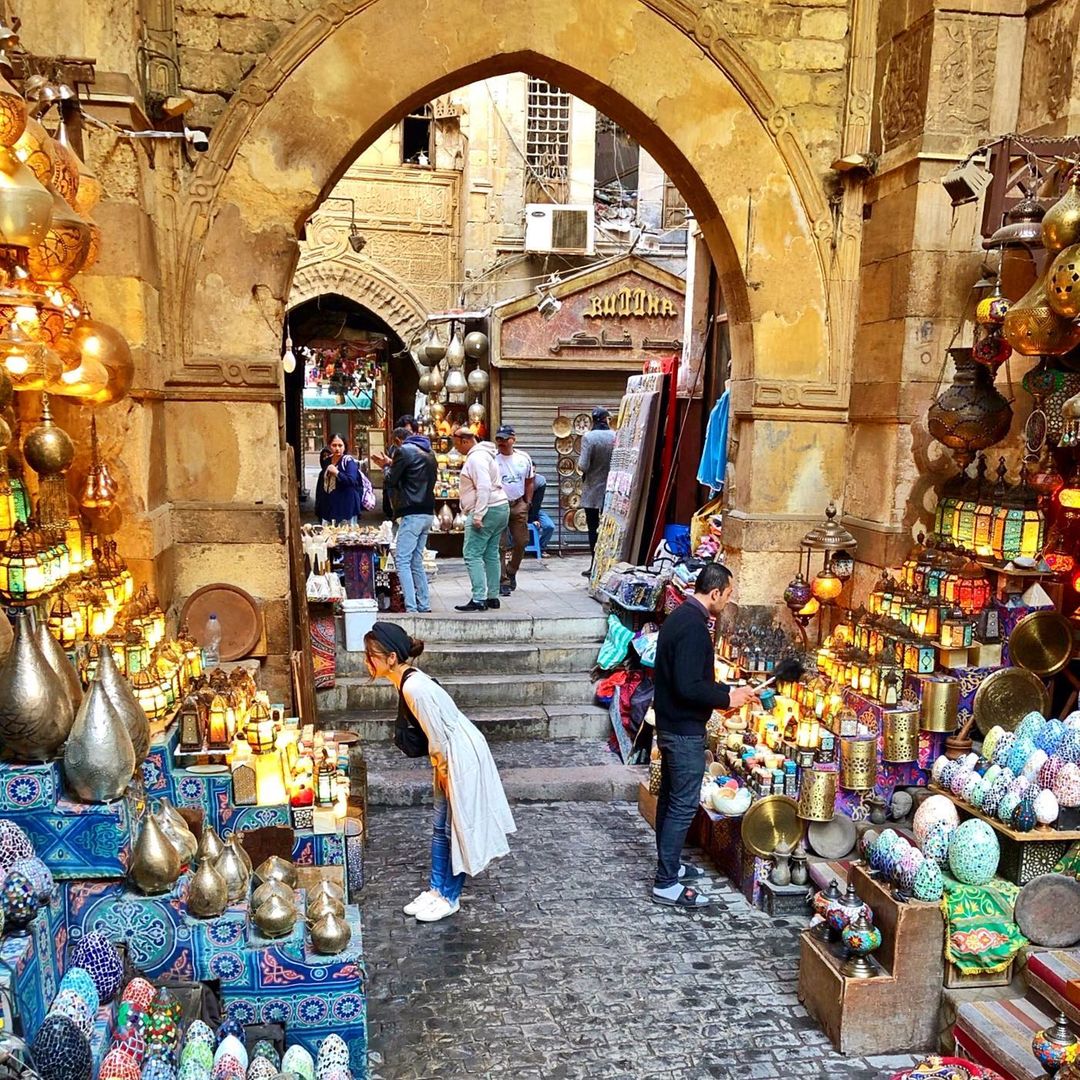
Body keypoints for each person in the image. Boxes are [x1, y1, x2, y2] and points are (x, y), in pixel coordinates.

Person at [364, 622, 516, 922]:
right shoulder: (406, 680)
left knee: (456, 827)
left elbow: (440, 739)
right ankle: (437, 889)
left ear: (391, 658)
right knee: (439, 826)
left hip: (458, 756)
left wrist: (446, 775)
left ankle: (450, 895)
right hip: (449, 754)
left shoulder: (413, 687)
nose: (367, 662)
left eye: (372, 655)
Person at [652, 563, 758, 908]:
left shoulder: (683, 618)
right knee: (681, 805)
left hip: (673, 724)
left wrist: (729, 691)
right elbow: (688, 686)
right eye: (727, 595)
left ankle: (670, 867)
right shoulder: (694, 628)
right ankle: (665, 882)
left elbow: (690, 680)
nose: (727, 601)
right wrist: (727, 698)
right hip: (682, 730)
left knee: (672, 799)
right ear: (715, 593)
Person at [454, 426, 509, 612]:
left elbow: (484, 486)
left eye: (456, 444)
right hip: (500, 507)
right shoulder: (486, 454)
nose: (456, 449)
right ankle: (493, 596)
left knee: (472, 553)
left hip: (488, 510)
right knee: (491, 553)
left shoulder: (476, 458)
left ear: (464, 441)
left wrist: (478, 514)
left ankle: (479, 598)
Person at [385, 425, 437, 613]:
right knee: (416, 560)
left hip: (411, 511)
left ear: (398, 440)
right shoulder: (429, 452)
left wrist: (386, 467)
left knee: (403, 560)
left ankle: (412, 607)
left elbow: (391, 480)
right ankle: (424, 604)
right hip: (427, 511)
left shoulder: (403, 451)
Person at [494, 425, 535, 596]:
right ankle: (503, 580)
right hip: (500, 504)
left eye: (505, 439)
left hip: (518, 504)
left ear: (513, 439)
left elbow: (530, 480)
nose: (502, 443)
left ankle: (511, 570)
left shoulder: (523, 458)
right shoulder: (493, 460)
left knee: (521, 541)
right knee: (500, 545)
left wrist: (528, 502)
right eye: (499, 439)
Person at [578, 406, 616, 574]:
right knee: (609, 527)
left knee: (593, 527)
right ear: (606, 419)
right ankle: (607, 565)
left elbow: (582, 465)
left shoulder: (589, 437)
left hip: (593, 489)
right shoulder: (616, 436)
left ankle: (594, 565)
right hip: (613, 488)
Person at [320, 434, 366, 525]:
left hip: (346, 506)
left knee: (346, 536)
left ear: (345, 447)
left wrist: (337, 473)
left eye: (340, 445)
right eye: (334, 445)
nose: (337, 448)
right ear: (329, 446)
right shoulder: (327, 461)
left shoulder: (348, 461)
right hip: (330, 507)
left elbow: (351, 481)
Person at [528, 473, 555, 555]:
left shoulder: (539, 481)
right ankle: (509, 548)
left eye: (533, 472)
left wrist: (534, 519)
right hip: (520, 511)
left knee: (549, 526)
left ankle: (541, 548)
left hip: (535, 511)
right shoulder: (519, 480)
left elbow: (537, 503)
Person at [313, 445, 332, 522]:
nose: (326, 458)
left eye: (328, 455)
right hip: (324, 508)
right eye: (324, 456)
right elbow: (319, 493)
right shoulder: (322, 473)